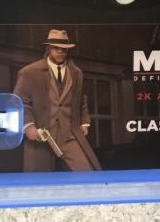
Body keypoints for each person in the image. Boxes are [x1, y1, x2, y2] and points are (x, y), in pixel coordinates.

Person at [13, 30, 101, 171]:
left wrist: (84, 121)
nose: (60, 51)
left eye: (64, 49)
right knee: (39, 180)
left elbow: (81, 98)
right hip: (41, 136)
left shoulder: (76, 73)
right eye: (56, 48)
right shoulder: (30, 72)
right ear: (48, 48)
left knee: (87, 173)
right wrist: (28, 126)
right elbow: (19, 101)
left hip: (68, 134)